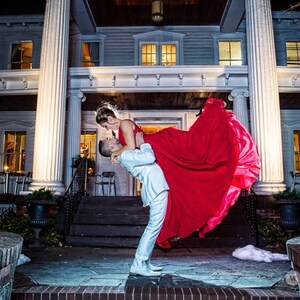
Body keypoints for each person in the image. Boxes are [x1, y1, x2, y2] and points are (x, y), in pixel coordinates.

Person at [96, 98, 260, 248]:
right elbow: (132, 149)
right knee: (179, 186)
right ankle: (169, 231)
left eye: (105, 126)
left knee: (196, 151)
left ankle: (213, 123)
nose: (106, 129)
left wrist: (115, 154)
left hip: (159, 147)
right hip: (157, 153)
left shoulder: (124, 124)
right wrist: (117, 153)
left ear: (110, 119)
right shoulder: (119, 131)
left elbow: (131, 147)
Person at [99, 132, 169, 277]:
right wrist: (143, 143)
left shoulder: (125, 154)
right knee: (154, 227)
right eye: (108, 139)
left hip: (157, 187)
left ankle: (144, 262)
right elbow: (150, 158)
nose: (111, 136)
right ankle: (138, 264)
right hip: (156, 188)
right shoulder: (125, 156)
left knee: (154, 227)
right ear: (111, 146)